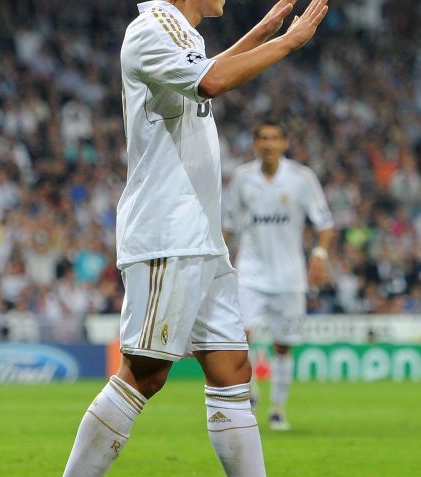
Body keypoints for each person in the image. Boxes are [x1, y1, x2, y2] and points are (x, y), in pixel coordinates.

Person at [62, 1, 327, 476]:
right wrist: (288, 42)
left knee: (232, 373)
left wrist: (261, 33)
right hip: (169, 233)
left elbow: (206, 73)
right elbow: (212, 81)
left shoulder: (181, 32)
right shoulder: (155, 25)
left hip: (202, 237)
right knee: (144, 374)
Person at [224, 119, 334, 431]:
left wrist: (320, 254)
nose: (268, 144)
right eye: (263, 138)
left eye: (274, 138)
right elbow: (229, 225)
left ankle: (277, 410)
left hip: (289, 275)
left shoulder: (301, 178)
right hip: (250, 272)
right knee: (239, 338)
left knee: (283, 345)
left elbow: (324, 223)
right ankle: (251, 393)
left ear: (284, 143)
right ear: (254, 144)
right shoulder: (242, 178)